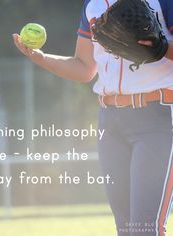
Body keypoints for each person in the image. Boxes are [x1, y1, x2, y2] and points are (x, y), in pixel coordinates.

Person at [13, 0, 173, 235]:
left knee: (145, 228)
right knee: (126, 228)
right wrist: (42, 58)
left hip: (157, 116)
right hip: (110, 122)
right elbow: (85, 67)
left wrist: (161, 48)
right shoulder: (93, 5)